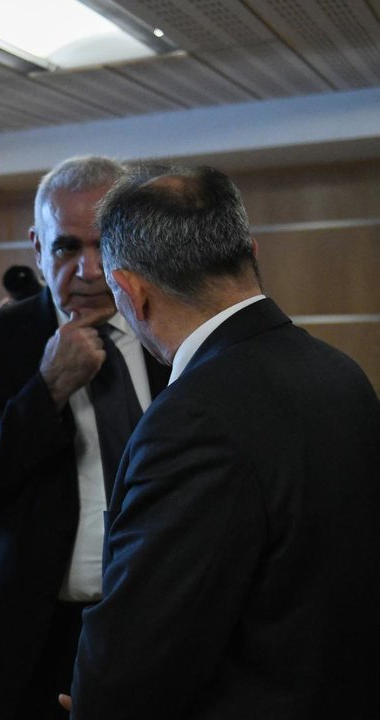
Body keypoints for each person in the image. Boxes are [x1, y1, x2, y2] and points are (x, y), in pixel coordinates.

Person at [65, 165, 380, 719]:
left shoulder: (190, 419)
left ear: (130, 292)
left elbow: (144, 648)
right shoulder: (341, 372)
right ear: (251, 253)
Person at [0, 156, 171, 719]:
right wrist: (46, 389)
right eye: (66, 248)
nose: (88, 270)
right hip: (27, 634)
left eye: (106, 244)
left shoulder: (172, 332)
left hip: (154, 623)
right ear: (38, 248)